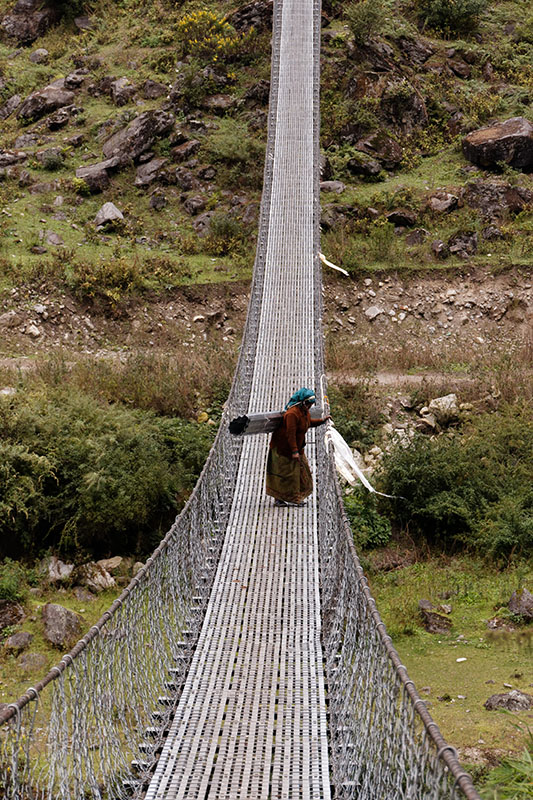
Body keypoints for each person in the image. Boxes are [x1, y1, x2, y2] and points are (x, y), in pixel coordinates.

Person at [266, 387, 329, 507]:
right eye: (307, 403)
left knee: (302, 472)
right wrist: (294, 451)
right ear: (301, 402)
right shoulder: (292, 414)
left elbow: (308, 423)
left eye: (311, 404)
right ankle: (283, 499)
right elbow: (290, 434)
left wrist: (322, 421)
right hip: (283, 448)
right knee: (285, 475)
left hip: (297, 448)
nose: (309, 406)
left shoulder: (304, 411)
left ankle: (295, 497)